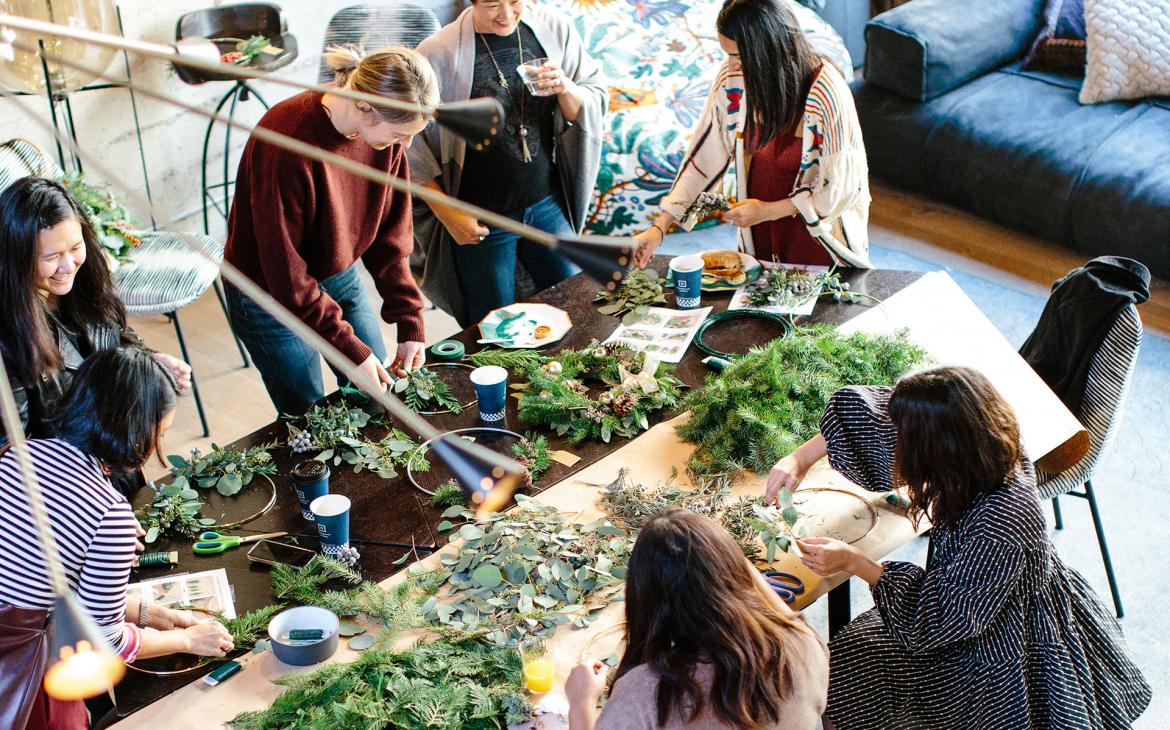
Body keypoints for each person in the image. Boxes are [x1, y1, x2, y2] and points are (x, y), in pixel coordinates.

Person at [765, 367, 1151, 729]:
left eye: (907, 446)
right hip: (968, 595)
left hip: (992, 641)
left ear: (940, 453)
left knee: (838, 680)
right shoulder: (983, 438)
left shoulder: (1002, 524)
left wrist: (858, 562)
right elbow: (873, 415)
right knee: (840, 659)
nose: (896, 450)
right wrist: (800, 457)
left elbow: (938, 623)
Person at [0, 347, 233, 729]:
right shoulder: (108, 513)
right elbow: (105, 642)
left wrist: (155, 613)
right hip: (25, 673)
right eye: (161, 433)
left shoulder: (20, 454)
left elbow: (42, 578)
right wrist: (188, 641)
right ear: (136, 430)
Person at [224, 46, 436, 416]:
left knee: (376, 394)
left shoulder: (384, 140)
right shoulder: (286, 142)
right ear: (365, 107)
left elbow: (390, 236)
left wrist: (410, 317)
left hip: (336, 270)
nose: (406, 146)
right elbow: (287, 276)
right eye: (401, 133)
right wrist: (348, 350)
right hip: (267, 294)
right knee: (309, 414)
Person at [410, 0, 607, 327]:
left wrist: (565, 88)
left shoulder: (553, 28)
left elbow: (593, 97)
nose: (506, 14)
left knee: (577, 306)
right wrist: (448, 212)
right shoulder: (437, 53)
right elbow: (411, 147)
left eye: (515, 1)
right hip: (481, 214)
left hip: (547, 202)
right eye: (491, 5)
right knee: (494, 326)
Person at [632, 0, 870, 269]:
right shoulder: (733, 81)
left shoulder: (826, 91)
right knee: (755, 304)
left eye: (738, 56)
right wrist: (660, 227)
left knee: (822, 308)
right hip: (759, 234)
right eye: (727, 54)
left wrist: (768, 211)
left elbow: (839, 191)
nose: (730, 65)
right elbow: (704, 154)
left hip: (819, 238)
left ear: (768, 50)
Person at [565, 509, 828, 729]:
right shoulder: (801, 644)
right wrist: (719, 555)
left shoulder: (648, 694)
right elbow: (784, 616)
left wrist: (581, 703)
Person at [0, 177, 192, 448]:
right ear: (17, 257)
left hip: (108, 451)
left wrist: (144, 362)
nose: (68, 266)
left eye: (76, 248)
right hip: (62, 475)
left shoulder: (87, 281)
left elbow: (117, 335)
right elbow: (11, 450)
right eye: (51, 257)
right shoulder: (8, 336)